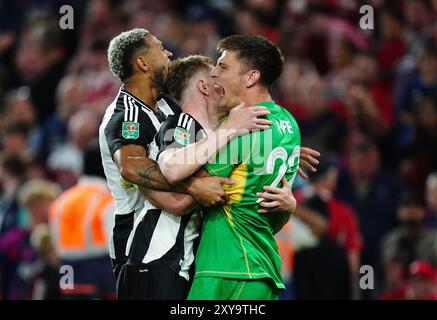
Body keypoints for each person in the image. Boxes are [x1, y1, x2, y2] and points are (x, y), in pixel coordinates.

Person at [100, 29, 270, 299]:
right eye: (160, 48)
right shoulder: (126, 114)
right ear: (143, 63)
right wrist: (195, 188)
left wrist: (277, 150)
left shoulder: (168, 108)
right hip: (142, 243)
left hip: (179, 250)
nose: (168, 53)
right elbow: (131, 168)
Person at [160, 35, 302, 300]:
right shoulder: (288, 123)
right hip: (259, 267)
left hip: (229, 268)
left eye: (223, 67)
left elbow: (176, 176)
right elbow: (272, 209)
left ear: (250, 77)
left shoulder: (242, 131)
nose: (214, 73)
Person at [48, 144, 116, 300]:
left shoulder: (61, 201)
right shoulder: (107, 201)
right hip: (99, 269)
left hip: (66, 269)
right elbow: (115, 244)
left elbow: (55, 241)